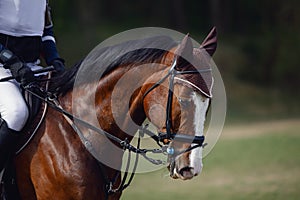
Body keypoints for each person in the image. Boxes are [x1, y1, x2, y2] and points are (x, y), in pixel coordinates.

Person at [0, 0, 65, 171]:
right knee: (16, 113)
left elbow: (46, 32)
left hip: (31, 68)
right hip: (2, 67)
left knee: (66, 102)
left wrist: (54, 59)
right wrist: (12, 62)